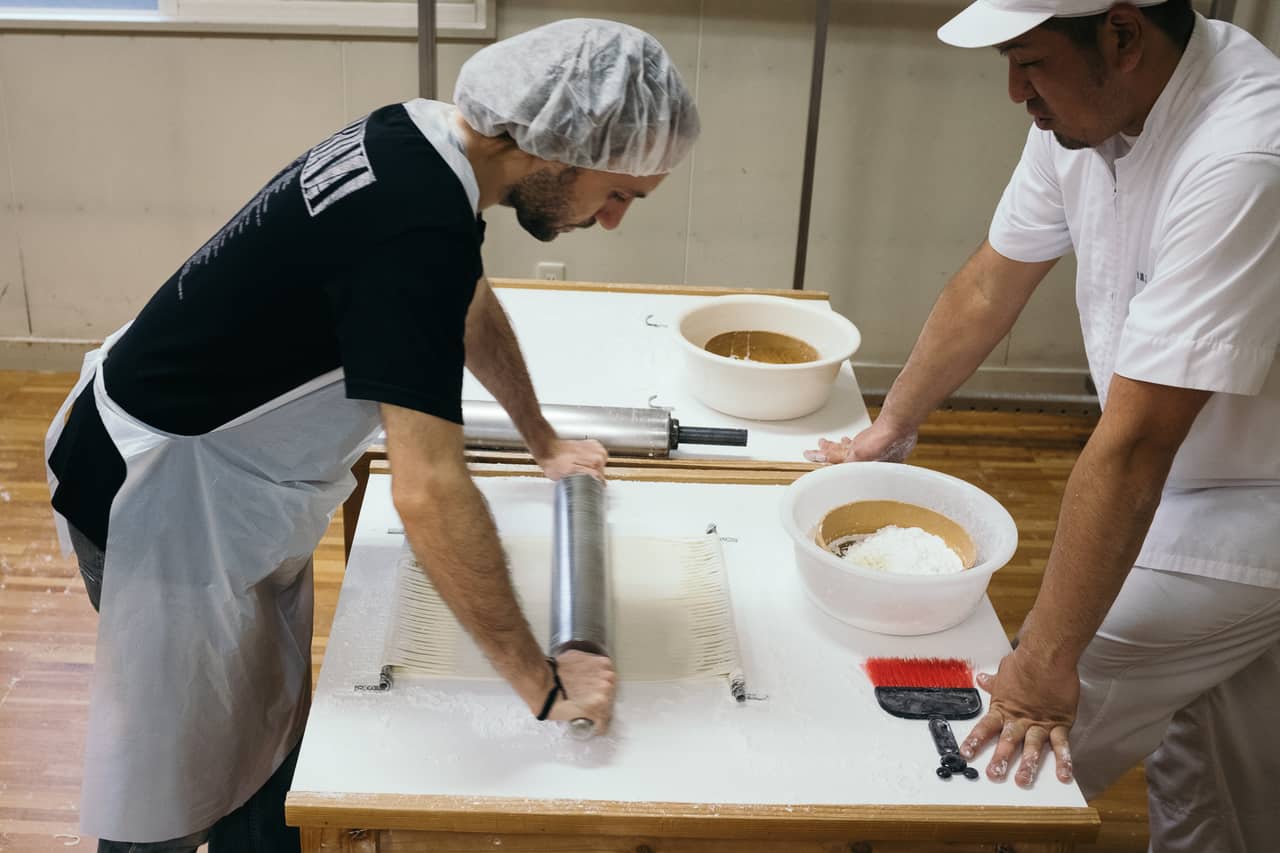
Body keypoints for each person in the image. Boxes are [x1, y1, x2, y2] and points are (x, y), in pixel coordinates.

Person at [44, 18, 698, 852]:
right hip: (163, 498)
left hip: (218, 481)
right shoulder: (417, 224)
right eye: (617, 193)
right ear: (558, 148)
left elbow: (467, 299)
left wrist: (543, 440)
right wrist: (544, 686)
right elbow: (428, 491)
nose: (611, 220)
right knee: (171, 779)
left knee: (261, 728)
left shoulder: (422, 141)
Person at [809, 1, 1279, 849]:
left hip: (1251, 504)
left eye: (1028, 61)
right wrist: (892, 425)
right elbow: (992, 282)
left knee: (999, 748)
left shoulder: (1244, 156)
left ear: (1123, 36)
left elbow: (1134, 445)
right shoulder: (1082, 113)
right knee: (1220, 770)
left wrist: (1042, 669)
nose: (1014, 90)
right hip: (1190, 473)